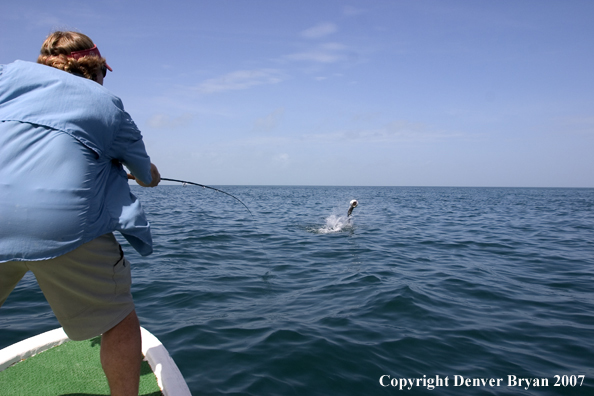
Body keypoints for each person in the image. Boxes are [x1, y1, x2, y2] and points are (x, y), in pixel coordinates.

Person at [0, 31, 160, 395]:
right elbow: (147, 176)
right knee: (119, 321)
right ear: (95, 68)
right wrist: (147, 172)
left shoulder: (6, 75)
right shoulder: (108, 104)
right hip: (63, 225)